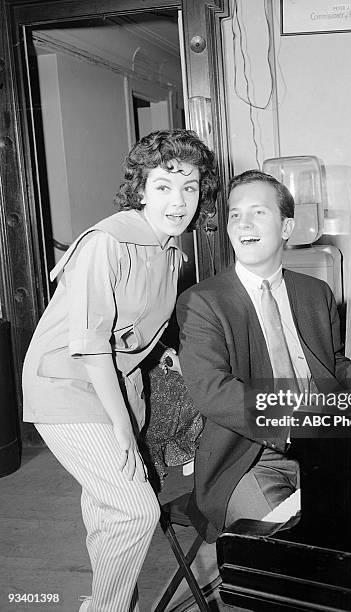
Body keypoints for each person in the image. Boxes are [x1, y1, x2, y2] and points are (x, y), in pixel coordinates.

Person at [22, 129, 218, 612]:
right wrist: (123, 429)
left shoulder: (170, 251)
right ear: (141, 189)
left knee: (108, 506)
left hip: (117, 383)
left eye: (189, 187)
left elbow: (137, 325)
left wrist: (162, 351)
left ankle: (108, 604)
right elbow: (90, 347)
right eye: (164, 186)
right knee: (135, 509)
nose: (178, 201)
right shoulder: (105, 242)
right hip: (66, 384)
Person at [176, 169, 351, 543]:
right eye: (235, 214)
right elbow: (212, 390)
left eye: (258, 212)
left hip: (326, 446)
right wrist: (292, 425)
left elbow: (331, 363)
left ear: (287, 227)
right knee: (291, 545)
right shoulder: (203, 302)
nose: (243, 223)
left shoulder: (315, 292)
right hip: (247, 459)